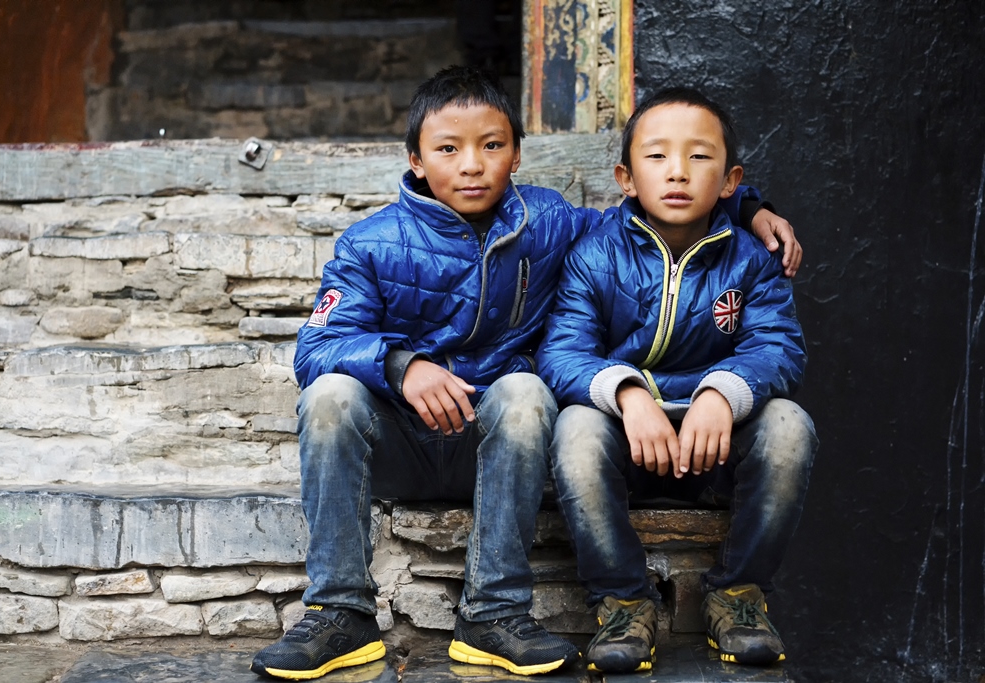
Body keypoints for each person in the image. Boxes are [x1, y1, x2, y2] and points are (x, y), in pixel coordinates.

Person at [250, 68, 801, 680]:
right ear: (415, 159)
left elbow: (652, 217)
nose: (471, 165)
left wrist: (748, 209)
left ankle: (492, 614)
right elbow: (317, 347)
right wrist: (401, 367)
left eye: (491, 145)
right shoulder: (371, 243)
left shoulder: (549, 223)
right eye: (448, 149)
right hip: (399, 441)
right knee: (329, 395)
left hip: (499, 444)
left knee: (524, 388)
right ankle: (340, 613)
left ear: (516, 154)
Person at [536, 88, 818, 673]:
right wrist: (628, 392)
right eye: (658, 156)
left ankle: (738, 595)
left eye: (699, 157)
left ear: (731, 179)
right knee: (576, 428)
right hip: (629, 442)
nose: (679, 173)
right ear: (626, 177)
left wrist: (722, 391)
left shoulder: (751, 259)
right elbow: (562, 352)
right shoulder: (595, 253)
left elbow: (779, 348)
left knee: (791, 425)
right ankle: (622, 601)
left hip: (714, 447)